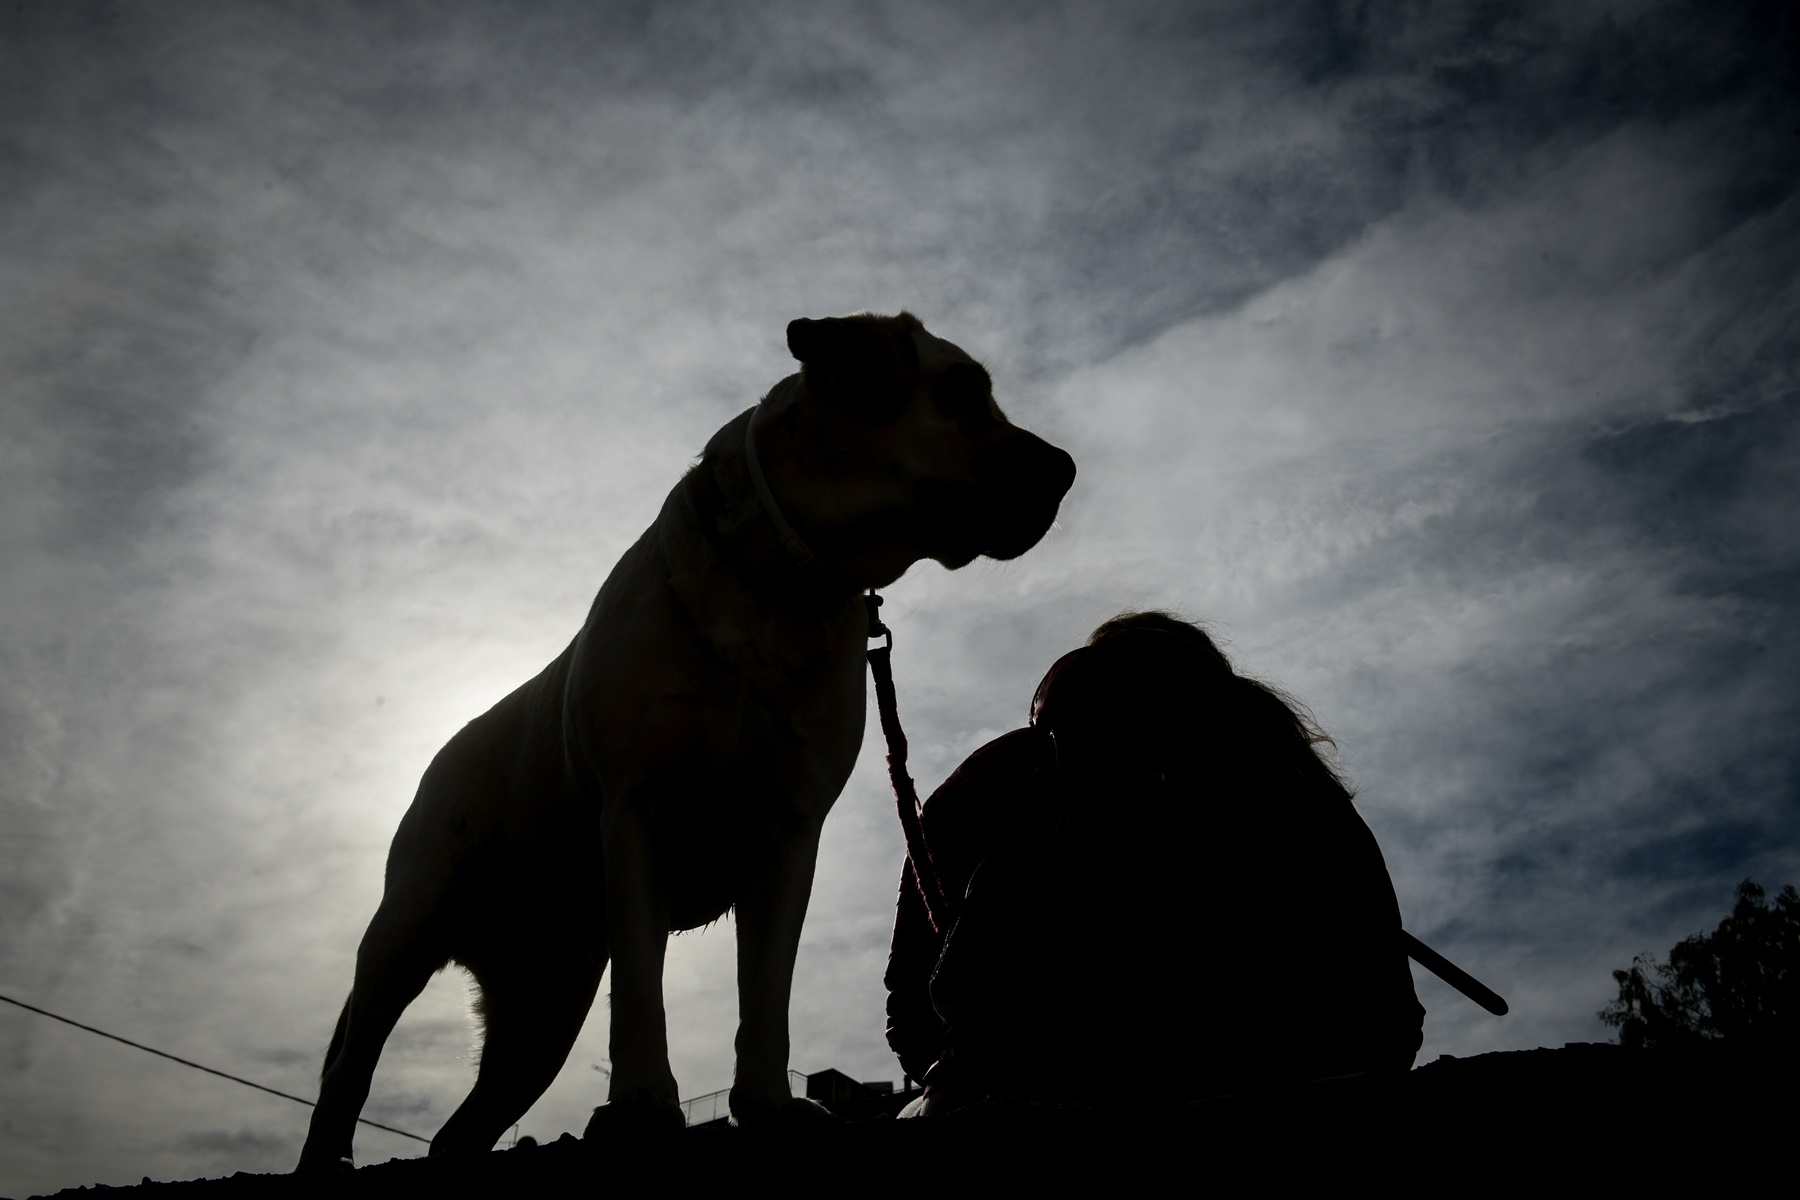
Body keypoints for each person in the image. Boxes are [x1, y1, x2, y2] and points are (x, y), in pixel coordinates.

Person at [883, 611, 1424, 1111]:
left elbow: (911, 1002)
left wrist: (950, 1067)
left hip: (1017, 1087)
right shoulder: (1274, 757)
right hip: (1286, 1074)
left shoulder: (986, 776)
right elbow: (1388, 1006)